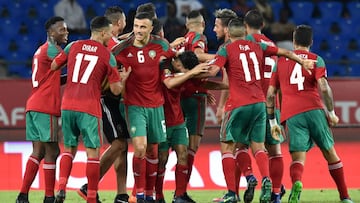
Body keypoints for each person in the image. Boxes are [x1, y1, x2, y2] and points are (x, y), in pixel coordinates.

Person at [206, 18, 315, 203]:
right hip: (261, 103)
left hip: (238, 104)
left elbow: (212, 71)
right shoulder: (260, 46)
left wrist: (192, 77)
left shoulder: (226, 48)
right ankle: (268, 182)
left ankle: (233, 192)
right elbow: (284, 52)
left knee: (229, 145)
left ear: (229, 33)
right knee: (262, 146)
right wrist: (301, 62)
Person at [266, 25, 354, 203]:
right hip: (314, 109)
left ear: (293, 41)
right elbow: (324, 87)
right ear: (311, 42)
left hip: (292, 113)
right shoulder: (316, 60)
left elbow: (270, 95)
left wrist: (273, 123)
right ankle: (345, 197)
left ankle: (297, 184)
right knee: (330, 154)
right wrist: (331, 112)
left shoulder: (281, 62)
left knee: (298, 157)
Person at [51, 16, 131, 203]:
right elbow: (116, 90)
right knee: (92, 152)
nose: (110, 37)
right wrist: (124, 78)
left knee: (69, 149)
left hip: (68, 104)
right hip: (89, 106)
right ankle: (92, 197)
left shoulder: (73, 46)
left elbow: (55, 66)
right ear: (103, 33)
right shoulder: (106, 55)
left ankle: (61, 188)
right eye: (109, 33)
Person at [112, 12, 176, 203]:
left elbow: (174, 60)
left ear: (151, 29)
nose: (138, 30)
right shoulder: (122, 50)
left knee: (153, 151)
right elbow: (107, 60)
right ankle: (138, 194)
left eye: (143, 27)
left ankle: (149, 194)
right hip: (134, 106)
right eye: (136, 26)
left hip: (156, 106)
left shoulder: (161, 45)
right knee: (140, 148)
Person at [77, 6, 130, 203]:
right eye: (124, 21)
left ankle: (122, 194)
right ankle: (88, 186)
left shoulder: (114, 42)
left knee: (123, 146)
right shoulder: (110, 46)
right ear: (118, 23)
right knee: (119, 144)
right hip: (107, 98)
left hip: (114, 100)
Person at [15, 16, 68, 203]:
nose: (66, 33)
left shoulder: (40, 51)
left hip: (34, 105)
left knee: (38, 152)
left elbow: (52, 78)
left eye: (66, 30)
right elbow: (71, 58)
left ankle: (22, 195)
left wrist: (69, 77)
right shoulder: (54, 50)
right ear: (50, 33)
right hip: (45, 106)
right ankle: (48, 197)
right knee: (53, 151)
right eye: (62, 30)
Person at [157, 51, 212, 203]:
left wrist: (204, 91)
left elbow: (195, 82)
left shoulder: (183, 75)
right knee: (162, 159)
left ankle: (179, 196)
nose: (180, 68)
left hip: (178, 121)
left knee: (183, 155)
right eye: (180, 65)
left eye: (183, 67)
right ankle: (158, 196)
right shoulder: (165, 69)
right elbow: (170, 83)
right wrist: (191, 72)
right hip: (162, 121)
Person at [244, 9, 285, 203]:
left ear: (245, 26)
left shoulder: (249, 44)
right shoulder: (272, 44)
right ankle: (276, 193)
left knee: (250, 146)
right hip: (273, 106)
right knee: (275, 151)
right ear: (263, 25)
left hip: (254, 101)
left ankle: (262, 180)